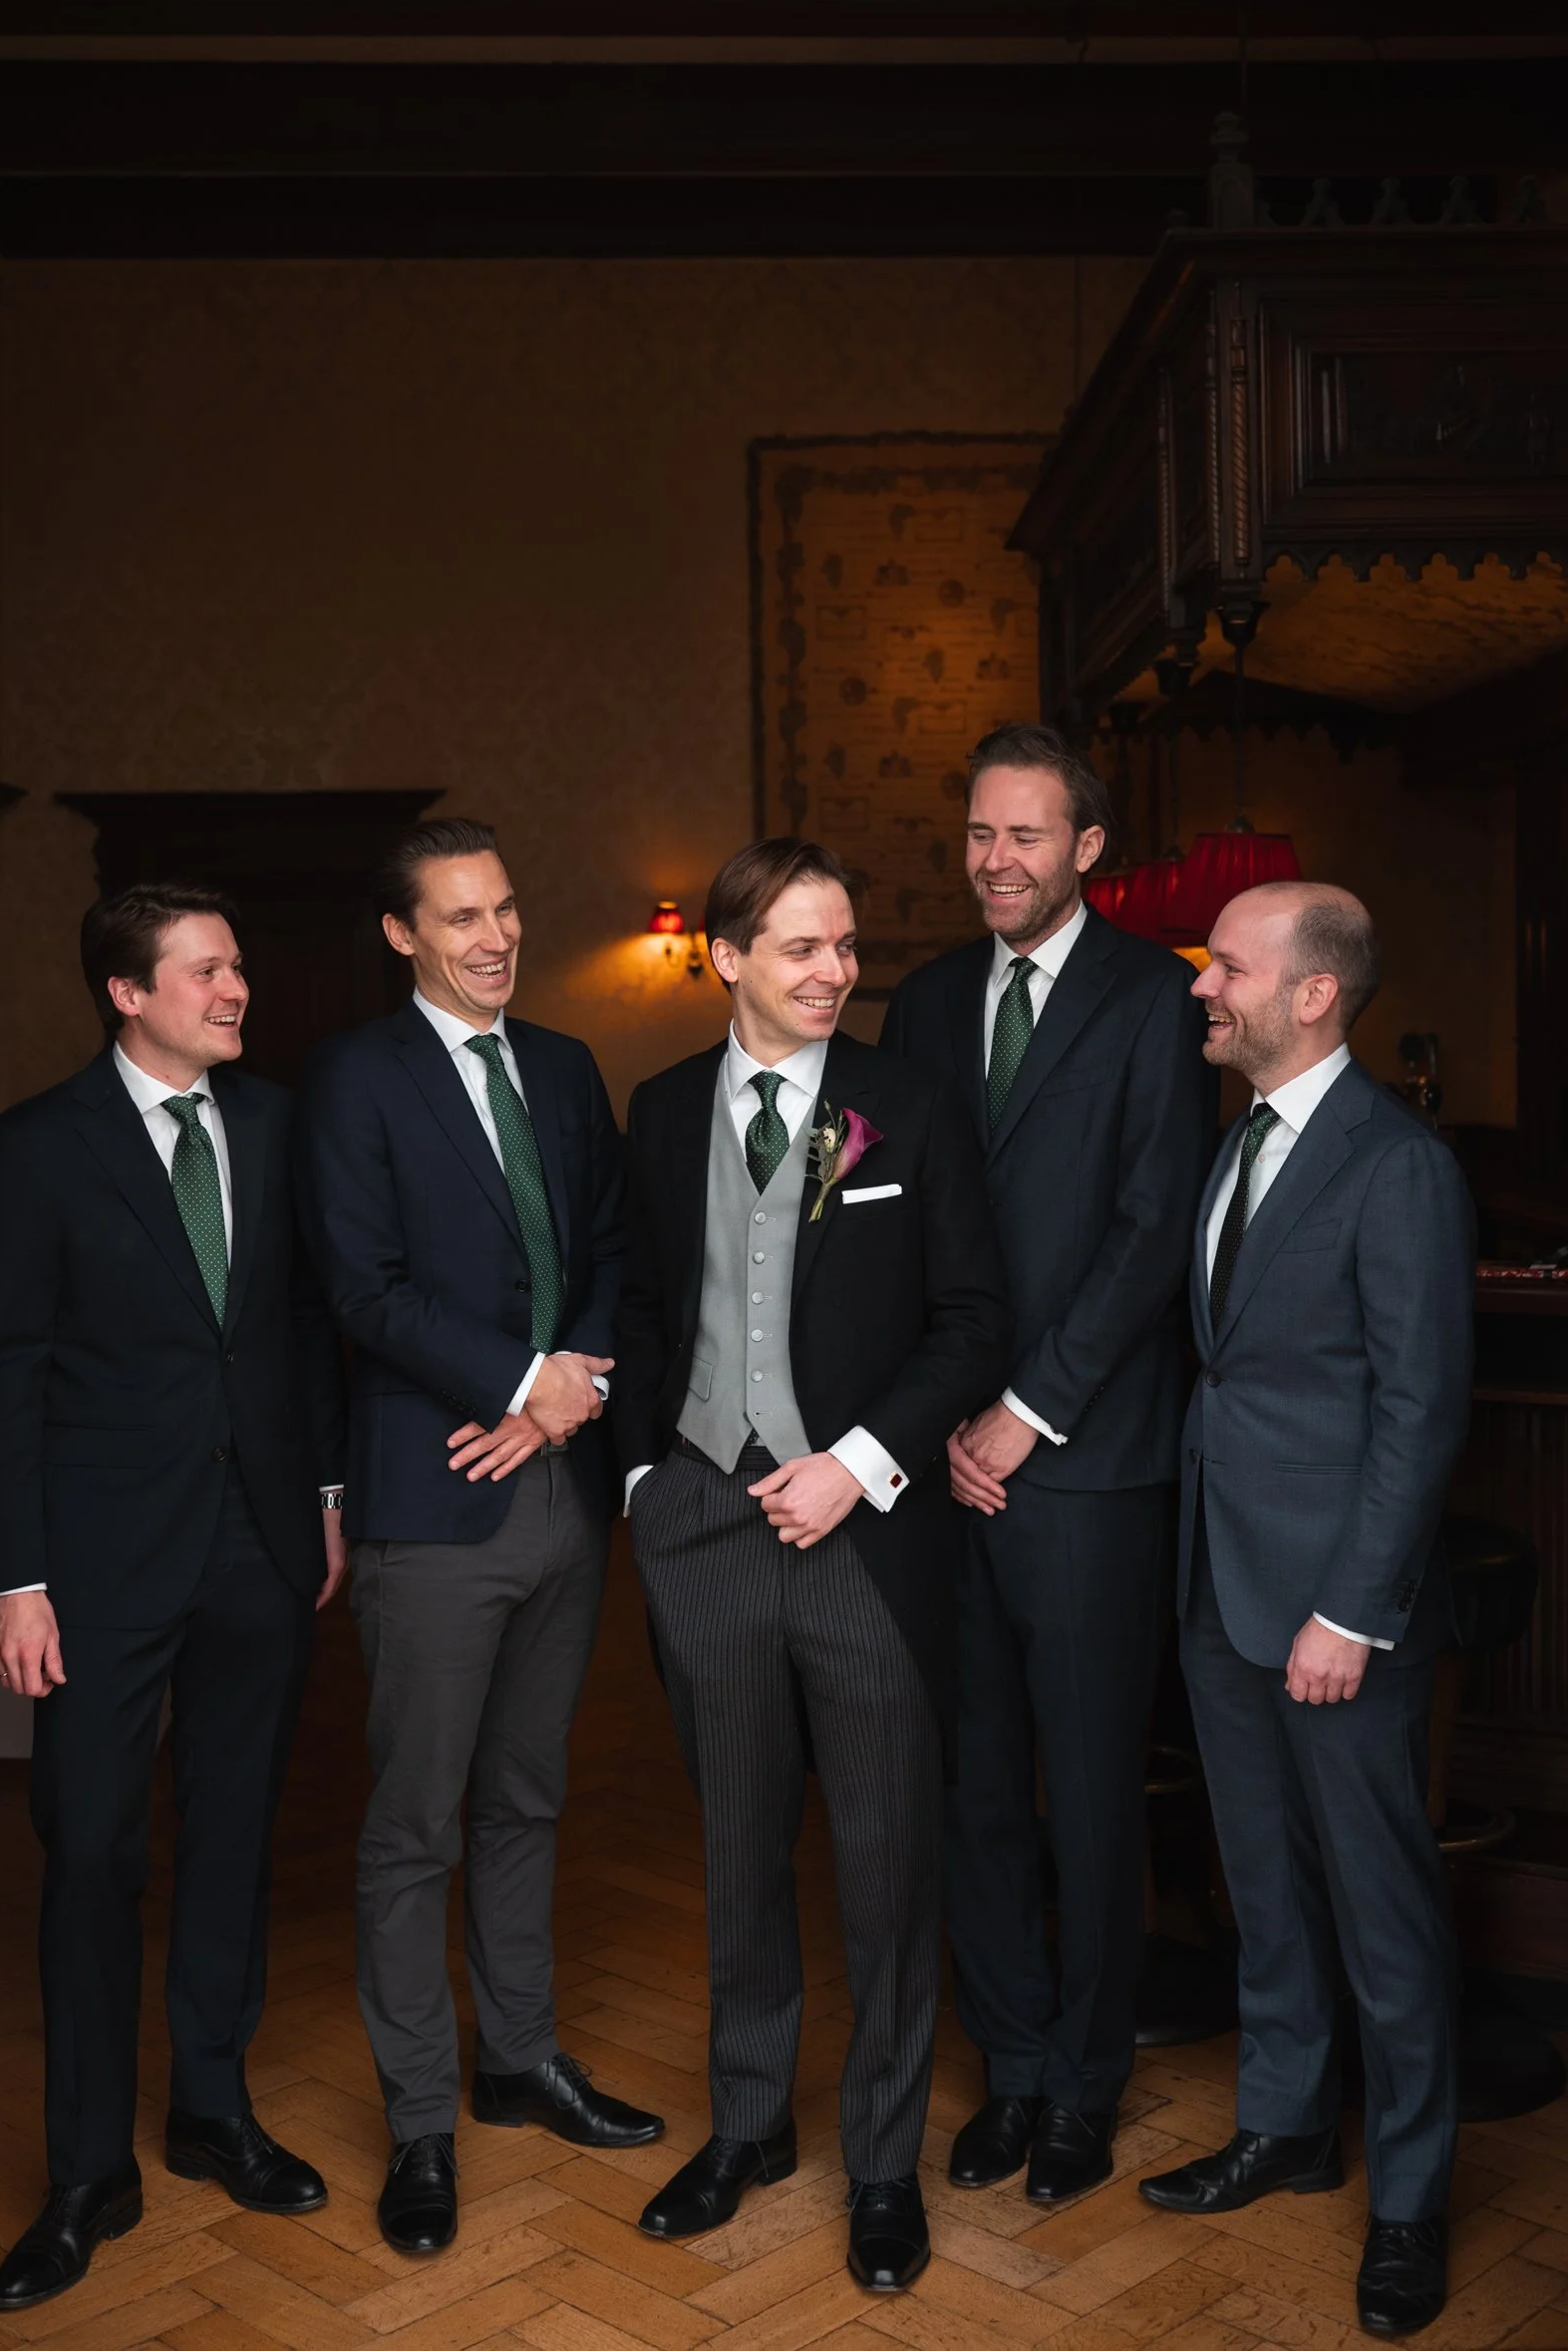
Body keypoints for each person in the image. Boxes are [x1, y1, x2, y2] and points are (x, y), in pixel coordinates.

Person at [615, 837, 1012, 2294]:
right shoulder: (657, 1112)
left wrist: (859, 1462)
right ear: (725, 958)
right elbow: (644, 1300)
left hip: (867, 1535)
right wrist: (652, 1478)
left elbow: (973, 1318)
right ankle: (746, 2128)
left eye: (845, 947)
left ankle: (882, 2169)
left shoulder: (909, 1107)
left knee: (886, 1859)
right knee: (735, 1846)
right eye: (800, 947)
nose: (835, 972)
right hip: (704, 1523)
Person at [0, 885, 347, 2316]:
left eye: (239, 964)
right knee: (89, 1851)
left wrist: (320, 1501)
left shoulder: (277, 1124)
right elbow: (9, 1374)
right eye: (206, 970)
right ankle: (81, 2175)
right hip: (100, 1567)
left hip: (258, 1544)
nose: (236, 987)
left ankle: (210, 2109)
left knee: (238, 1835)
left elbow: (300, 1326)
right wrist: (14, 1578)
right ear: (128, 993)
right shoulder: (35, 1151)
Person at [297, 817, 661, 2261]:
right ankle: (421, 2125)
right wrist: (521, 1386)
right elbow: (360, 1289)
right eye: (461, 919)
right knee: (412, 1829)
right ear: (403, 936)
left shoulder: (565, 1069)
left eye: (506, 909)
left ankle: (519, 2061)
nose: (496, 938)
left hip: (561, 1505)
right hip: (433, 1505)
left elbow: (612, 1249)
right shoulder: (350, 1080)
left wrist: (565, 1392)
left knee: (526, 1801)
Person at [879, 723, 1214, 2204]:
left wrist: (1024, 1409)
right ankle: (1010, 2064)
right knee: (970, 1788)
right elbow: (893, 1222)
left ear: (1087, 849)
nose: (992, 860)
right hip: (938, 1455)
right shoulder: (929, 999)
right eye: (975, 834)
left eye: (1023, 835)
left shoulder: (1158, 998)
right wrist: (927, 1417)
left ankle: (1085, 2083)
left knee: (1083, 1794)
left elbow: (1152, 1230)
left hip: (1079, 1462)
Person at [1137, 881, 1472, 2343]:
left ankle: (1407, 2202)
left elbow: (1418, 1408)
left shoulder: (1392, 1167)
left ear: (1313, 993)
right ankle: (1283, 2128)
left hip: (1332, 1614)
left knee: (1380, 1915)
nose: (1202, 984)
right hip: (1218, 1586)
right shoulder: (1232, 1149)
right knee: (1262, 1888)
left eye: (1227, 965)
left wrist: (1352, 1608)